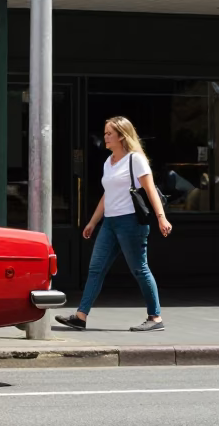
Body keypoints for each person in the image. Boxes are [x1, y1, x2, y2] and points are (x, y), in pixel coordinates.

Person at [56, 116, 171, 333]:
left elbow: (149, 189)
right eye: (105, 133)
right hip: (110, 223)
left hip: (131, 222)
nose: (105, 137)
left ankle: (155, 317)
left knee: (139, 269)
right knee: (96, 269)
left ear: (121, 135)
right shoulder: (108, 162)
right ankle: (81, 316)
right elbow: (107, 195)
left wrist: (161, 217)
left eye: (109, 133)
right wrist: (92, 222)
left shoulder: (135, 159)